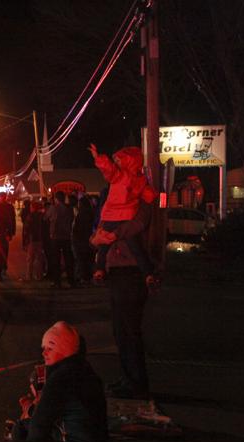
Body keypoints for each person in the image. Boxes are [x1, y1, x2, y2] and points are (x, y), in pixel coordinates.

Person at [0, 321, 109, 442]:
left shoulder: (61, 378)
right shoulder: (80, 366)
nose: (44, 353)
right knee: (21, 427)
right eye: (44, 348)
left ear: (64, 350)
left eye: (50, 348)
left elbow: (39, 425)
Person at [98, 208, 153, 399]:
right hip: (117, 272)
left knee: (129, 331)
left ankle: (136, 382)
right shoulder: (114, 210)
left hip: (131, 273)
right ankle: (128, 378)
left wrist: (110, 234)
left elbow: (134, 229)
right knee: (120, 331)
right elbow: (98, 238)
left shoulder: (138, 207)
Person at [88, 144, 157, 289]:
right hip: (128, 216)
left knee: (103, 246)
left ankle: (99, 270)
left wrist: (98, 157)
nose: (117, 163)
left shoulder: (121, 175)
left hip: (111, 216)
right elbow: (148, 194)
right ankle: (148, 274)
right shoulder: (141, 179)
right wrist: (155, 196)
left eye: (120, 160)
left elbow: (109, 169)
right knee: (136, 248)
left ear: (128, 161)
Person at [44, 191, 76, 288]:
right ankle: (71, 281)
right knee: (68, 259)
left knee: (56, 260)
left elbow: (45, 218)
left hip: (55, 236)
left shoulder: (53, 208)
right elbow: (72, 219)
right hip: (66, 236)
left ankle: (57, 282)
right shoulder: (69, 208)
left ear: (56, 199)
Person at [71, 196, 96, 285]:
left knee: (81, 260)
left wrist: (75, 239)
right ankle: (89, 277)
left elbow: (76, 229)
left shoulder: (80, 215)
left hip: (81, 240)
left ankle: (84, 278)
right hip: (89, 239)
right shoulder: (92, 214)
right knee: (89, 260)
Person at [22, 201, 45, 281]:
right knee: (39, 259)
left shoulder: (30, 216)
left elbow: (26, 229)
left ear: (33, 208)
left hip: (32, 239)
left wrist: (25, 241)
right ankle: (39, 276)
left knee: (30, 259)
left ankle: (29, 276)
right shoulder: (42, 216)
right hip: (40, 239)